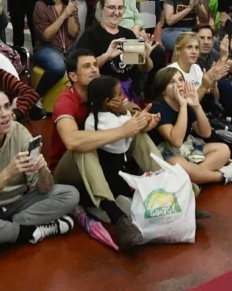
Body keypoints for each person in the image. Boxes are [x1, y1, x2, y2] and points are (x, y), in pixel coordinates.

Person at [0, 80, 79, 258]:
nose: (6, 115)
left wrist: (42, 170)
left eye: (6, 106)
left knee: (70, 194)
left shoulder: (19, 131)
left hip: (20, 203)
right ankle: (34, 232)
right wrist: (7, 173)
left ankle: (0, 234)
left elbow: (44, 189)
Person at [50, 50, 160, 251]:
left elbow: (132, 108)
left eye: (95, 65)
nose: (94, 69)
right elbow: (72, 141)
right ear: (73, 76)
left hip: (102, 165)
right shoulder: (66, 102)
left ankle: (165, 186)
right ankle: (117, 219)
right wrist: (122, 130)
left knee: (137, 132)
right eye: (87, 66)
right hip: (67, 174)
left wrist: (142, 120)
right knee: (83, 147)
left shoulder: (104, 92)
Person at [148, 67, 232, 186]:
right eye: (172, 82)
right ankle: (222, 176)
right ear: (163, 90)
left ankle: (197, 177)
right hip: (167, 154)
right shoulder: (158, 109)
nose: (178, 84)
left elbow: (205, 133)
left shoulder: (186, 102)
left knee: (223, 149)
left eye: (180, 80)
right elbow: (176, 141)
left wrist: (196, 105)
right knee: (179, 166)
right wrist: (183, 107)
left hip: (187, 150)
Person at [78, 0, 154, 100]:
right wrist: (107, 55)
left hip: (128, 92)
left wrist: (145, 56)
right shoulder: (91, 35)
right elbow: (83, 70)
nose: (116, 12)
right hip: (103, 94)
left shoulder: (128, 34)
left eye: (120, 8)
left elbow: (144, 68)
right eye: (111, 7)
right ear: (101, 8)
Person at [32, 0, 80, 96]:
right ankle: (36, 97)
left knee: (86, 62)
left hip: (69, 47)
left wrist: (70, 13)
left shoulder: (69, 4)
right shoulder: (40, 6)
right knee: (58, 68)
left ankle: (78, 98)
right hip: (47, 48)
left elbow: (73, 33)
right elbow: (46, 36)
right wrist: (64, 15)